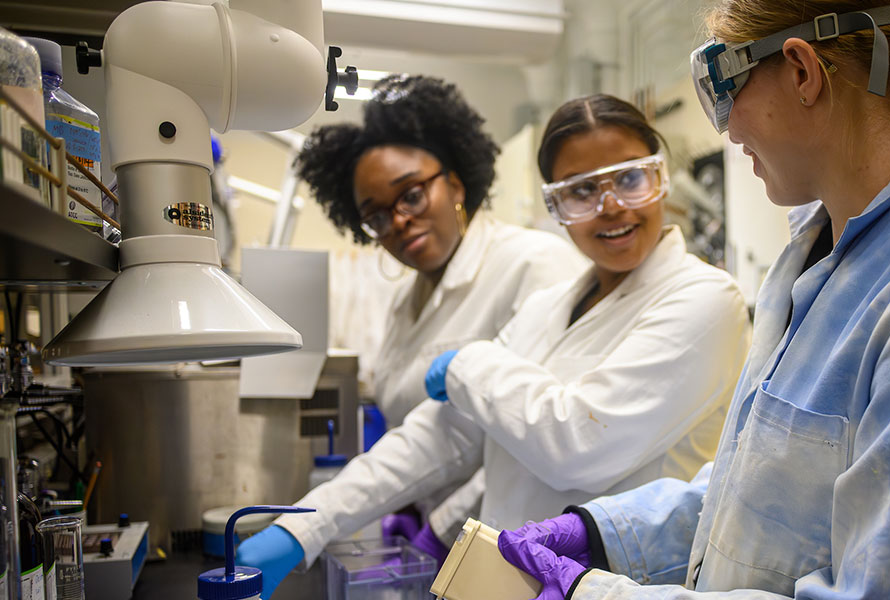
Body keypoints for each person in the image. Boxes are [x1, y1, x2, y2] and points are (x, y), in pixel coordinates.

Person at [498, 2, 890, 599]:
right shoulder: (824, 247)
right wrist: (607, 534)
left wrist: (598, 594)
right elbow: (765, 490)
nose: (727, 129)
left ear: (803, 70)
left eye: (726, 83)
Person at [237, 94, 752, 599]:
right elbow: (443, 435)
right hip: (506, 578)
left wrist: (468, 363)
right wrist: (305, 526)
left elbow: (577, 444)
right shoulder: (548, 306)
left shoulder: (706, 300)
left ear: (659, 178)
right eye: (580, 191)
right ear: (555, 205)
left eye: (630, 178)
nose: (611, 205)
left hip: (614, 587)